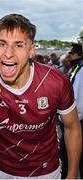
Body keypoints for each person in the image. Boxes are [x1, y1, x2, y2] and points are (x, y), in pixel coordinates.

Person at [0, 14, 82, 179]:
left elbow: (72, 127)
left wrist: (73, 174)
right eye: (2, 44)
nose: (8, 53)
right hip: (4, 172)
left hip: (48, 171)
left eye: (18, 45)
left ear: (31, 50)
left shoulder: (55, 81)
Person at [60, 43, 83, 179]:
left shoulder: (81, 70)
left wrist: (67, 118)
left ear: (79, 54)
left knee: (69, 158)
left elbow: (78, 102)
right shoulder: (77, 68)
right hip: (76, 120)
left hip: (77, 122)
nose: (70, 56)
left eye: (72, 54)